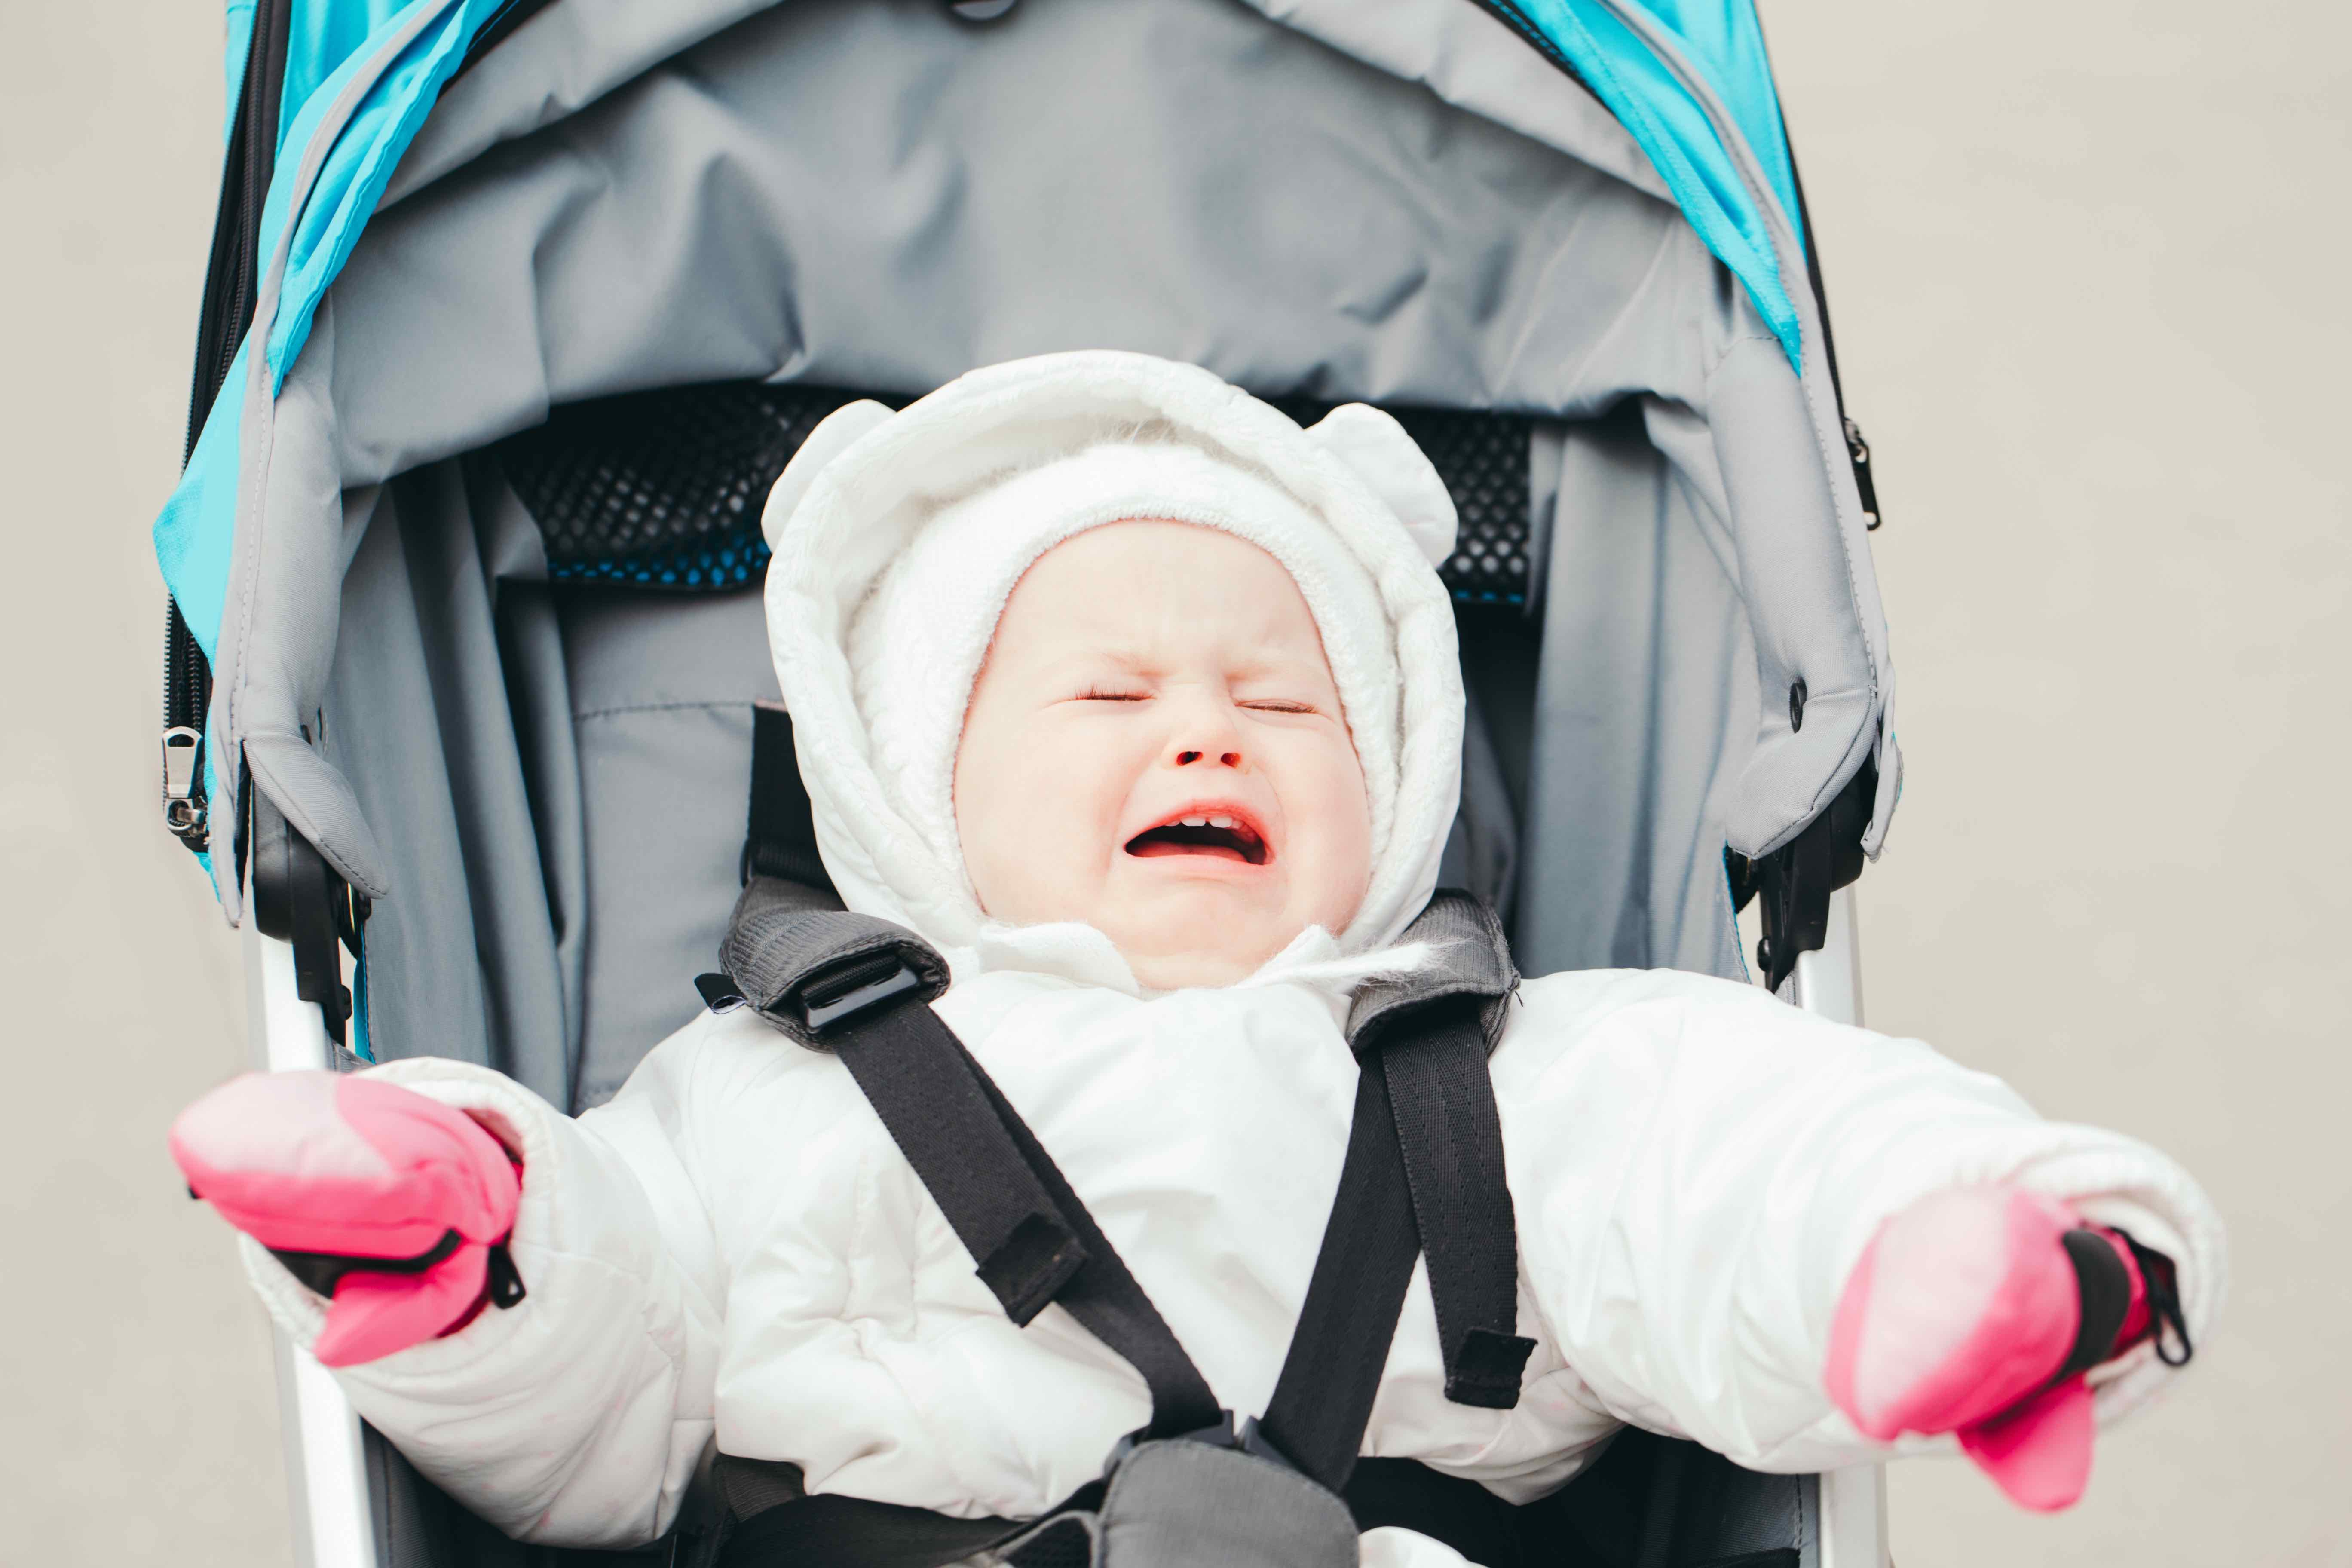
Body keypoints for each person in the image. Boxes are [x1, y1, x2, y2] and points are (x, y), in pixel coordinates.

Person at [172, 352, 2223, 1563]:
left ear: (1399, 783)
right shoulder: (764, 1098)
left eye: (1287, 695)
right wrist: (479, 1237)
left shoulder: (1515, 1080)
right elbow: (615, 1368)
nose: (1207, 727)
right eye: (1101, 697)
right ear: (910, 801)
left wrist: (1971, 1245)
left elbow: (1741, 1169)